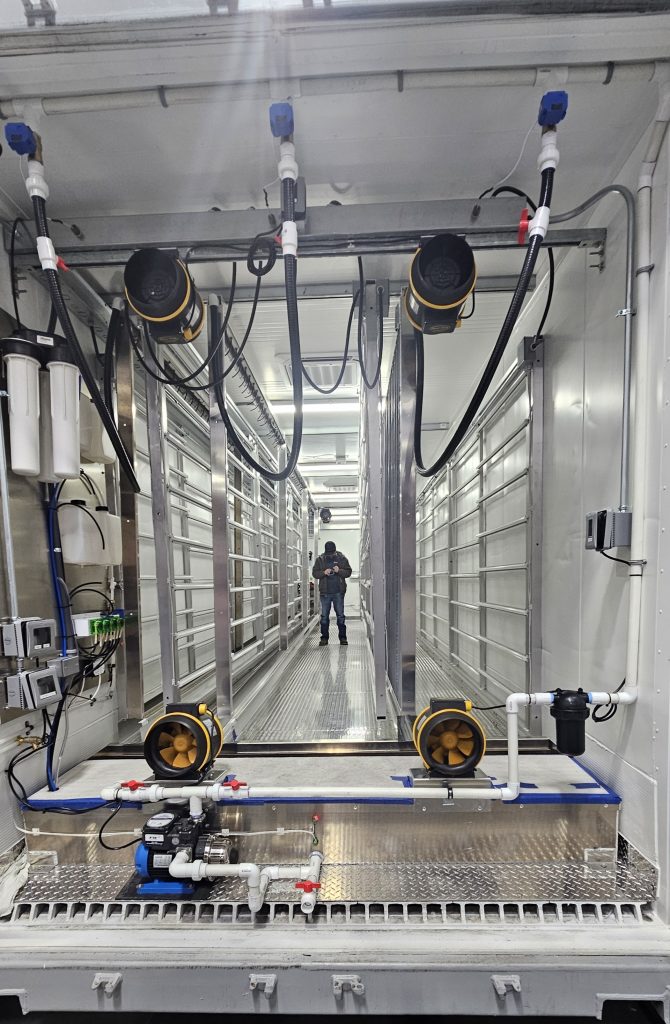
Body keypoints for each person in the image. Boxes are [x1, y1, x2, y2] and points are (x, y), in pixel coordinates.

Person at [312, 540, 352, 646]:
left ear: (335, 551)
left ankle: (343, 638)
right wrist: (323, 572)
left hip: (338, 592)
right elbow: (315, 573)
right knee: (324, 616)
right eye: (328, 554)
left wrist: (339, 570)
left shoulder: (342, 558)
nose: (330, 556)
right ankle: (324, 638)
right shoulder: (320, 560)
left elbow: (348, 572)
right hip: (325, 593)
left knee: (340, 616)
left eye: (332, 554)